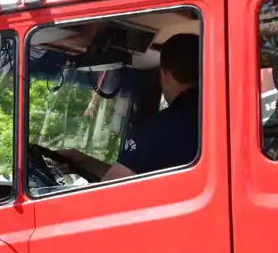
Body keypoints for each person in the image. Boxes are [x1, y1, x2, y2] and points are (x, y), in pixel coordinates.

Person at [54, 33, 201, 181]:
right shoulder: (210, 119)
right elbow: (126, 177)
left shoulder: (159, 129)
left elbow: (115, 187)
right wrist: (85, 162)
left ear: (166, 75)